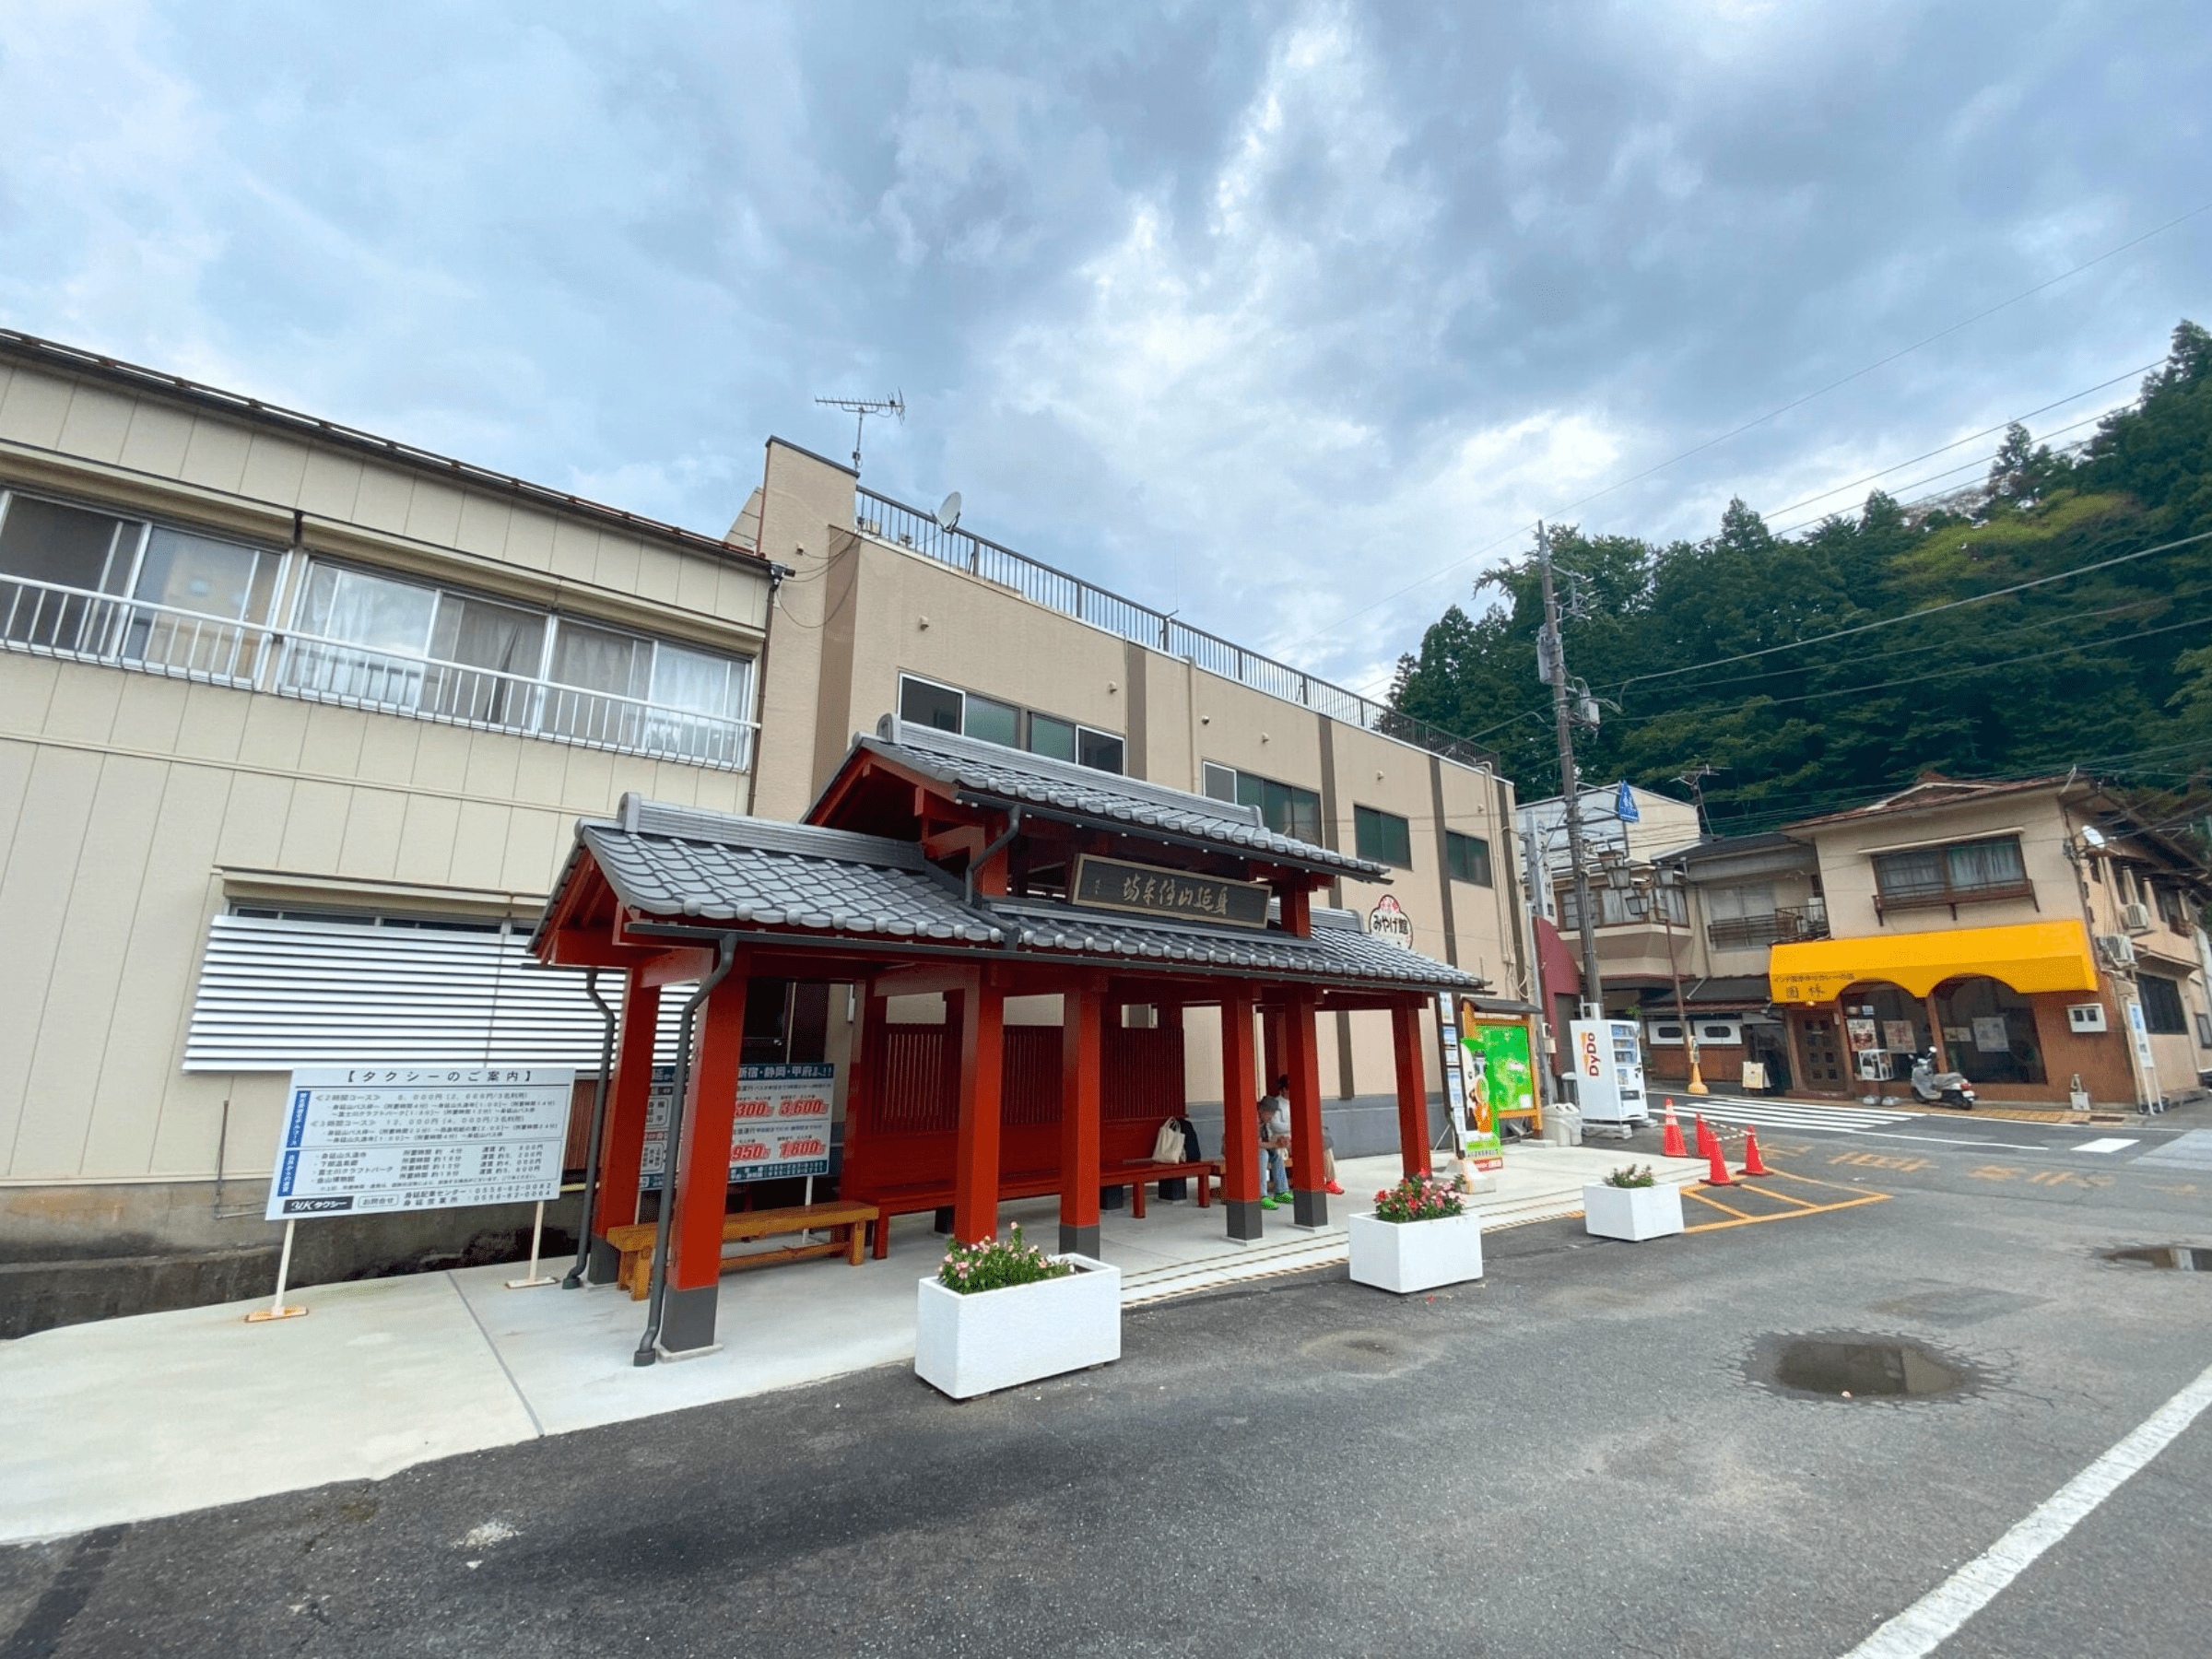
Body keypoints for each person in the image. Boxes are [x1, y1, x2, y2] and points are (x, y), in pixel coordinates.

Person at [1256, 1076, 1292, 1208]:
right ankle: (1261, 1195)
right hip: (1240, 1152)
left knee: (1276, 1155)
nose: (1271, 1116)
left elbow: (1266, 1141)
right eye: (1269, 1113)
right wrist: (1275, 1144)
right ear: (1262, 1110)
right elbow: (1256, 1144)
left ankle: (1282, 1191)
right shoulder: (1254, 1120)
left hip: (1258, 1149)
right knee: (1263, 1155)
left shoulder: (1265, 1122)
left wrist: (1278, 1142)